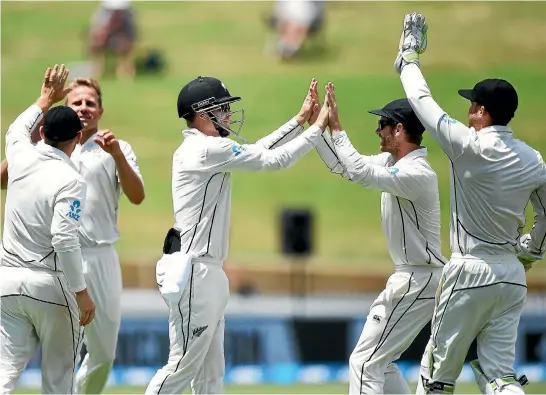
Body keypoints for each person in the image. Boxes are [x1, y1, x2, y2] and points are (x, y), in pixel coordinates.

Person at [144, 77, 330, 395]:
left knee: (211, 375)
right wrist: (318, 128)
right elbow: (274, 160)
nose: (229, 114)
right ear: (203, 113)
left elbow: (254, 151)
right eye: (223, 108)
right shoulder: (204, 149)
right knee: (181, 366)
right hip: (195, 272)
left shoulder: (210, 148)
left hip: (209, 272)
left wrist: (299, 121)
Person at [395, 12, 544, 395]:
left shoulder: (466, 145)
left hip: (468, 271)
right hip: (511, 276)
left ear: (481, 111)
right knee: (500, 376)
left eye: (471, 106)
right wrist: (530, 252)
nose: (467, 111)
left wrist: (409, 57)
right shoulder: (533, 159)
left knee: (436, 378)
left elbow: (421, 100)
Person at [0, 77, 146, 394]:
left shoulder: (115, 148)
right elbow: (3, 179)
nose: (83, 107)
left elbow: (137, 197)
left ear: (100, 110)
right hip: (57, 262)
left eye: (90, 103)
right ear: (67, 110)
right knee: (60, 357)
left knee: (104, 353)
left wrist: (117, 155)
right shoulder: (46, 147)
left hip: (99, 255)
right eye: (76, 102)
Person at [311, 82, 447, 394]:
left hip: (419, 278)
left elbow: (360, 172)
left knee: (365, 363)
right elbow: (343, 166)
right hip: (414, 277)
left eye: (382, 125)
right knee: (379, 362)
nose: (378, 131)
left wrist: (338, 127)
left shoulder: (417, 173)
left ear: (399, 129)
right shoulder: (393, 163)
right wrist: (318, 127)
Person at [0, 64, 96, 394]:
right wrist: (81, 292)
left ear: (41, 133)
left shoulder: (20, 154)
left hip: (8, 285)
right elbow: (64, 237)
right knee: (58, 381)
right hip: (50, 287)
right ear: (78, 138)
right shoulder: (71, 180)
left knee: (4, 373)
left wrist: (44, 99)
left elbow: (15, 127)